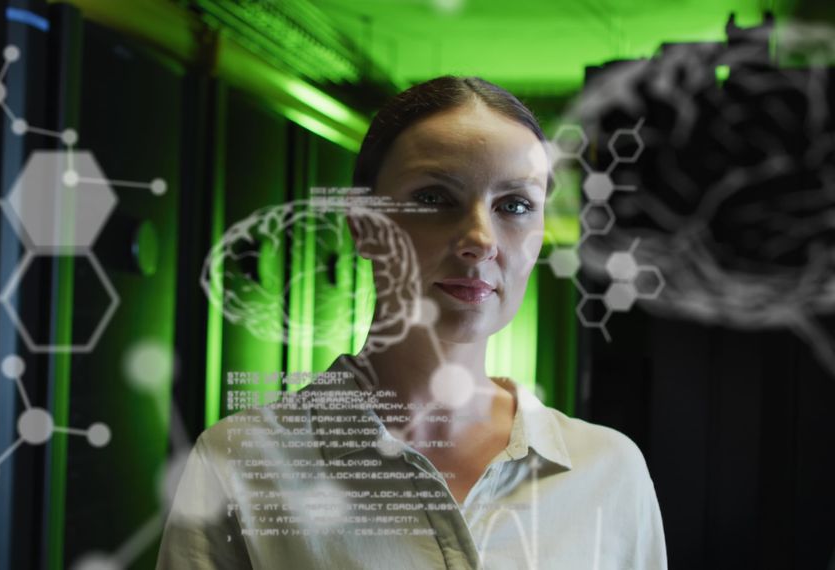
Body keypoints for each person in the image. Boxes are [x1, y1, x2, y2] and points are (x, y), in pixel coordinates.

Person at [156, 76, 668, 569]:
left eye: (514, 205)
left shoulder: (609, 471)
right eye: (433, 198)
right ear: (362, 224)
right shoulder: (240, 465)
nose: (481, 239)